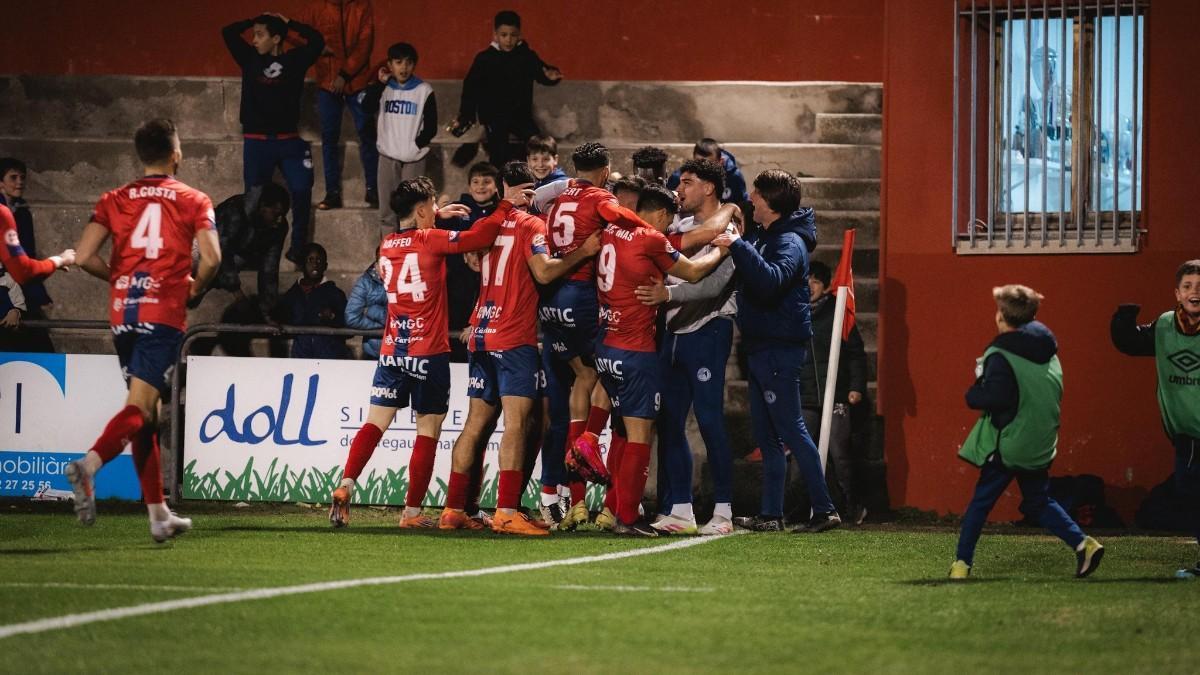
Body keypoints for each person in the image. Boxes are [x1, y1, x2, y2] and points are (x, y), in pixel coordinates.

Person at [66, 118, 221, 543]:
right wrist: (194, 289)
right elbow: (212, 257)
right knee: (140, 406)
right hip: (163, 313)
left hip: (124, 314)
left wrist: (120, 279)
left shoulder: (114, 198)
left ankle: (158, 514)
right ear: (176, 153)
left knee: (148, 416)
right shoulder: (193, 199)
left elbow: (82, 256)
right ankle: (90, 465)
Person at [437, 161, 600, 535]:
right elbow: (543, 272)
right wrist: (583, 252)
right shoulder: (531, 225)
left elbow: (475, 260)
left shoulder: (488, 223)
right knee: (519, 423)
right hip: (512, 337)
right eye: (533, 192)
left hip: (480, 331)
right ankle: (507, 510)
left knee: (476, 423)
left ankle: (453, 509)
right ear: (522, 191)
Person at [326, 177, 494, 529]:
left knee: (374, 423)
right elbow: (478, 238)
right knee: (427, 430)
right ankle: (412, 513)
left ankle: (345, 484)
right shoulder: (430, 238)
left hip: (392, 351)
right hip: (429, 352)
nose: (436, 211)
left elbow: (417, 236)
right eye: (432, 206)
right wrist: (505, 207)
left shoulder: (386, 245)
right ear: (421, 210)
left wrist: (436, 215)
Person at [595, 184, 728, 536]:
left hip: (606, 346)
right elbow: (694, 273)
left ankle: (612, 507)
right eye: (667, 220)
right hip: (636, 351)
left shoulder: (611, 231)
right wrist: (719, 250)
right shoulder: (649, 239)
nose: (667, 227)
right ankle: (627, 517)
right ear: (660, 214)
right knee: (640, 437)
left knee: (620, 432)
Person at [711, 170, 838, 533]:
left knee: (791, 430)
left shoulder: (790, 242)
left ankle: (824, 509)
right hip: (762, 345)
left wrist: (738, 244)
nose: (751, 198)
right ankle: (771, 514)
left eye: (757, 194)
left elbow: (768, 282)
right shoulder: (769, 235)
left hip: (779, 348)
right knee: (768, 437)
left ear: (773, 202)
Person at [950, 284, 1103, 579]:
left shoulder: (1000, 353)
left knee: (981, 503)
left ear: (1001, 317)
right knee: (1038, 500)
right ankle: (1084, 544)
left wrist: (973, 393)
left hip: (1009, 442)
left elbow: (996, 397)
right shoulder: (1049, 348)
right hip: (1041, 440)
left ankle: (961, 564)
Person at [634, 159, 739, 535]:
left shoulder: (729, 230)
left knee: (709, 420)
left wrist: (666, 294)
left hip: (709, 329)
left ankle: (724, 512)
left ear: (709, 188)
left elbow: (712, 286)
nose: (680, 189)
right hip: (674, 335)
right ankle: (682, 509)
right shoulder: (678, 229)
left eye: (689, 182)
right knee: (671, 422)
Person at [1111, 260, 1200, 578]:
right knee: (1190, 493)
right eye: (1188, 286)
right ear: (1177, 293)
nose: (1195, 292)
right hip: (1186, 433)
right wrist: (1123, 318)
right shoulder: (1164, 326)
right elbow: (1131, 342)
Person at [222, 12, 324, 265]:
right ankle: (252, 248)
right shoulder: (249, 59)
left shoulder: (295, 60)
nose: (254, 40)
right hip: (257, 141)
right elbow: (228, 32)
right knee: (254, 198)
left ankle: (297, 246)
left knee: (301, 189)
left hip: (289, 141)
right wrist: (252, 20)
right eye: (254, 35)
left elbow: (317, 41)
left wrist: (290, 23)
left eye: (260, 34)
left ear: (276, 38)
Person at [800, 260, 869, 525]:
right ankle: (798, 508)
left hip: (836, 395)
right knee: (800, 456)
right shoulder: (795, 311)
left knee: (840, 453)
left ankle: (852, 507)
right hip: (805, 396)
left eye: (815, 281)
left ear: (826, 286)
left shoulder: (839, 312)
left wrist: (855, 387)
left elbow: (856, 355)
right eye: (806, 280)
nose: (809, 286)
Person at [449, 10, 563, 168]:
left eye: (513, 35)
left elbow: (542, 73)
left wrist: (551, 77)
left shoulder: (526, 56)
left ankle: (534, 178)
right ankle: (499, 186)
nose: (508, 40)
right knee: (498, 153)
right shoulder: (485, 59)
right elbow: (471, 88)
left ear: (519, 35)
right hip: (494, 116)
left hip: (520, 115)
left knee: (536, 144)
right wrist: (466, 115)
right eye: (504, 35)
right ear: (495, 35)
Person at [304, 0, 377, 210]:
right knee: (329, 138)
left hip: (357, 80)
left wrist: (344, 74)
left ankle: (373, 190)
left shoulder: (361, 6)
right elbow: (299, 34)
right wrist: (317, 47)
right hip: (327, 82)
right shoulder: (316, 7)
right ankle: (332, 193)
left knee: (367, 133)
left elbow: (365, 43)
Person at [195, 183, 291, 320]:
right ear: (263, 207)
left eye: (283, 215)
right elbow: (220, 249)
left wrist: (268, 310)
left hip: (231, 256)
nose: (280, 220)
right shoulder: (235, 211)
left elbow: (270, 268)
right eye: (276, 213)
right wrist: (237, 293)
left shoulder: (278, 227)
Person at [371, 42, 437, 237]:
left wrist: (415, 144)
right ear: (390, 65)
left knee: (414, 211)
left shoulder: (424, 90)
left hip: (414, 158)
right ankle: (388, 256)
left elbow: (431, 126)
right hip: (387, 156)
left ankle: (412, 254)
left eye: (408, 63)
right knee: (387, 212)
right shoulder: (384, 88)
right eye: (398, 62)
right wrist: (379, 83)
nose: (404, 68)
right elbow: (366, 107)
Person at [441, 162, 500, 362]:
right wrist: (439, 216)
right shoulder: (457, 210)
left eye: (486, 181)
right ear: (468, 186)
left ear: (497, 186)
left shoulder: (503, 213)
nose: (480, 186)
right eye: (475, 182)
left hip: (491, 281)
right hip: (461, 283)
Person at [0, 158, 57, 351]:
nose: (19, 182)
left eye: (22, 177)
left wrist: (37, 294)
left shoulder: (21, 211)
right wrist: (9, 306)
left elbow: (27, 256)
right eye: (13, 177)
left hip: (20, 292)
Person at [274, 243, 350, 359]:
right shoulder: (292, 295)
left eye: (319, 261)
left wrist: (332, 317)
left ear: (325, 266)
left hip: (329, 357)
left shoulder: (335, 294)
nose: (315, 264)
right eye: (310, 260)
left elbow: (349, 327)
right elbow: (283, 318)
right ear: (302, 265)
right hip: (302, 357)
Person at [667, 138, 749, 205]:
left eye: (709, 164)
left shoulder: (734, 177)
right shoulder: (679, 178)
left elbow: (742, 204)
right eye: (699, 163)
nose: (703, 169)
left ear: (721, 161)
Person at [344, 247, 386, 360]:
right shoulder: (365, 282)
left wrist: (374, 312)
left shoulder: (405, 281)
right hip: (372, 353)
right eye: (383, 261)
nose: (386, 266)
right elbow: (351, 317)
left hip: (400, 353)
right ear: (376, 264)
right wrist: (381, 326)